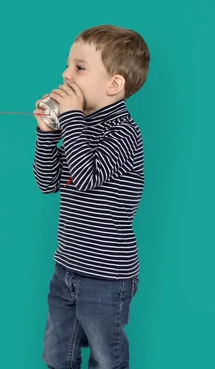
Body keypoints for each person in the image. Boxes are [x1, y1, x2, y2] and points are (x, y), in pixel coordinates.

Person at [32, 24, 150, 369]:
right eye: (68, 65)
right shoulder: (79, 126)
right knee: (57, 355)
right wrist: (46, 134)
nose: (66, 74)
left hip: (107, 277)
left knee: (106, 359)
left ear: (114, 84)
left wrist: (69, 120)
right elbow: (47, 182)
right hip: (67, 267)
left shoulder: (124, 133)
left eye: (80, 68)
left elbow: (85, 178)